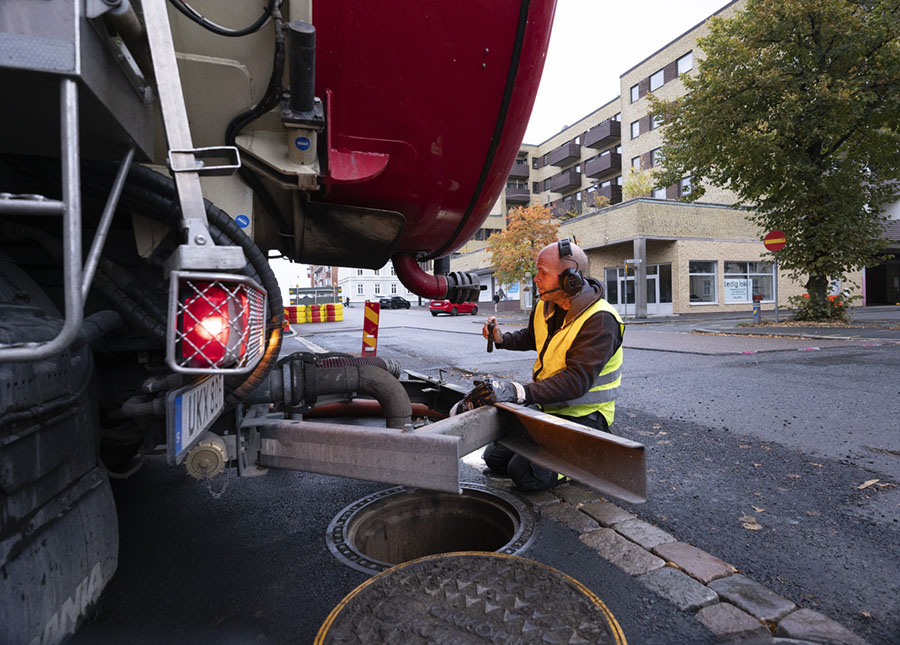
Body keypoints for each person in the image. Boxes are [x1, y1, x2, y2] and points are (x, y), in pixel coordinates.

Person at [463, 238, 624, 491]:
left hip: (585, 416)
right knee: (494, 459)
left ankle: (591, 458)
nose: (536, 279)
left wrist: (518, 392)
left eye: (542, 273)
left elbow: (576, 381)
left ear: (570, 278)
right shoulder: (546, 304)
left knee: (525, 474)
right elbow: (533, 336)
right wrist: (502, 339)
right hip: (549, 408)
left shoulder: (601, 320)